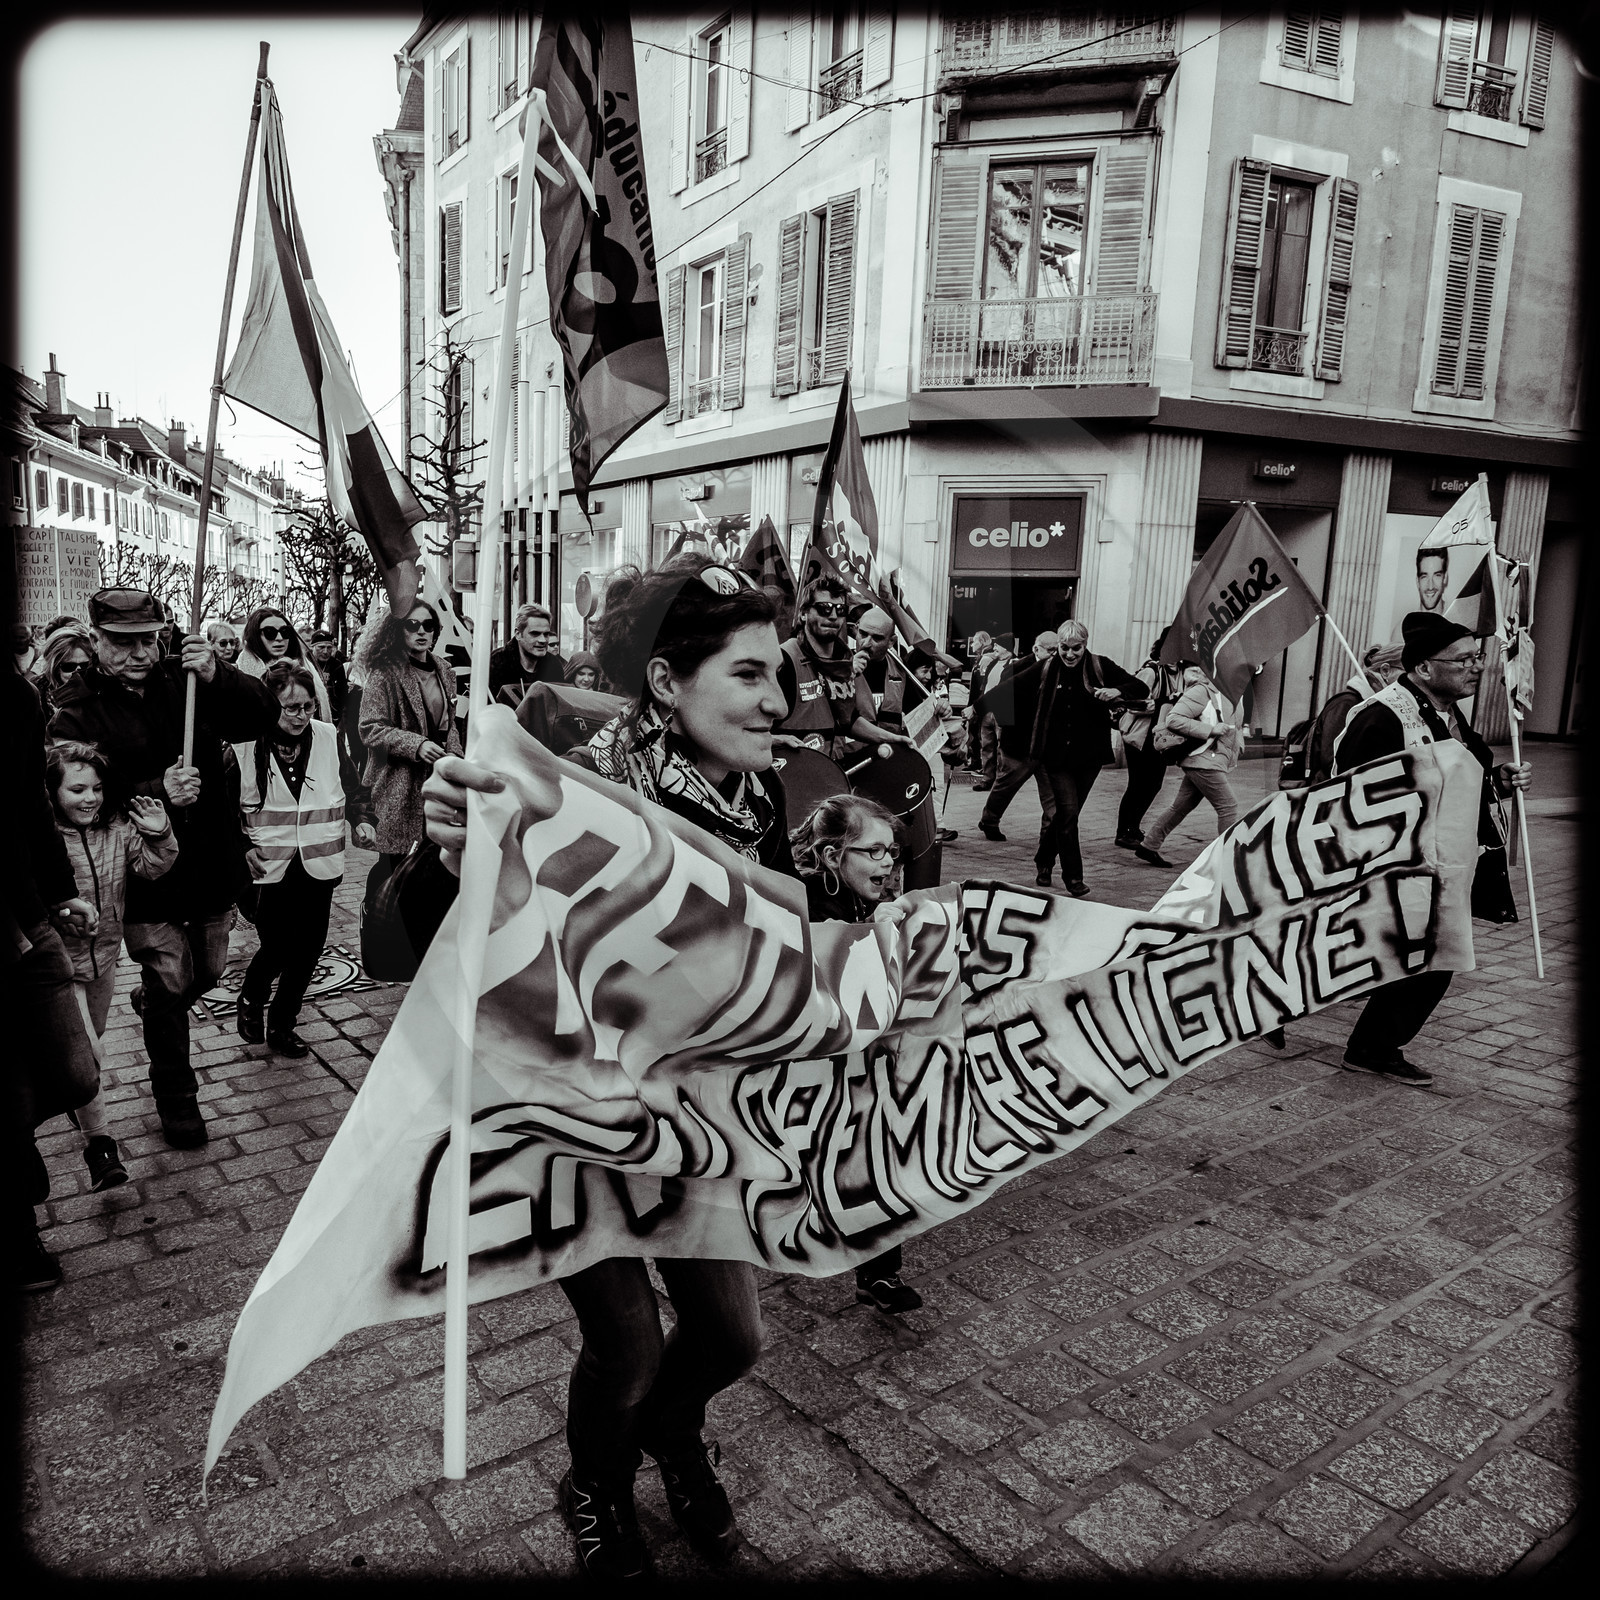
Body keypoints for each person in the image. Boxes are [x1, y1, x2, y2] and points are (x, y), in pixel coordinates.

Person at [418, 556, 791, 1578]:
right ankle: (596, 1485)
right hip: (569, 1123)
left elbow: (781, 950)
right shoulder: (569, 785)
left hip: (691, 1120)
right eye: (751, 674)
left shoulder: (766, 796)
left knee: (730, 1336)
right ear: (668, 683)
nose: (777, 699)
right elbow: (426, 941)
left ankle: (673, 1435)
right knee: (624, 1347)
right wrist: (447, 848)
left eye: (779, 674)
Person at [49, 589, 279, 1148]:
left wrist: (221, 673)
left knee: (208, 969)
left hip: (206, 862)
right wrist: (157, 794)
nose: (139, 653)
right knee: (169, 980)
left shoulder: (188, 679)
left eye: (148, 641)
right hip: (146, 876)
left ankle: (156, 1004)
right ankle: (178, 1100)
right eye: (123, 643)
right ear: (96, 640)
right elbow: (77, 800)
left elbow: (262, 717)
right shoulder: (77, 709)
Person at [1330, 613, 1530, 1086]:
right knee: (1425, 957)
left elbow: (1466, 775)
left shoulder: (1449, 714)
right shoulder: (1382, 715)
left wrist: (1499, 780)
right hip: (1398, 866)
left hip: (1444, 863)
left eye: (1476, 657)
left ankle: (1370, 1045)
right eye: (1462, 660)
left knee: (1427, 958)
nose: (1476, 667)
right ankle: (1365, 1044)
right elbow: (1350, 793)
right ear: (1423, 668)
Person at [790, 792, 924, 1314]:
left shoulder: (864, 900)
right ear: (831, 857)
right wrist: (874, 936)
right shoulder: (796, 902)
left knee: (877, 1148)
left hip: (851, 1067)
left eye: (891, 851)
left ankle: (879, 1273)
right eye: (873, 851)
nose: (889, 862)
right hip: (794, 1069)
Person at [5, 648, 100, 1290]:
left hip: (29, 913)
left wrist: (62, 889)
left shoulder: (13, 697)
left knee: (75, 1073)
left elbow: (32, 806)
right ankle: (16, 1229)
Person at [48, 740, 179, 1190]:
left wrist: (160, 833)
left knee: (90, 1049)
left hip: (105, 958)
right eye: (77, 789)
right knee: (90, 1055)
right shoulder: (43, 838)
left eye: (97, 789)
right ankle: (100, 1148)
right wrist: (56, 914)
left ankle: (79, 1095)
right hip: (58, 969)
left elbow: (149, 868)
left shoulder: (115, 828)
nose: (90, 799)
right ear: (52, 792)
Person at [234, 660, 359, 1058]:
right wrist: (241, 850)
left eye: (307, 706)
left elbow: (349, 784)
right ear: (270, 704)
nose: (302, 716)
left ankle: (283, 1026)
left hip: (319, 861)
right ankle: (253, 994)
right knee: (278, 946)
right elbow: (223, 809)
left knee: (309, 949)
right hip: (269, 864)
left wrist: (364, 818)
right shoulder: (243, 743)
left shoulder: (325, 735)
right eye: (291, 708)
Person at [356, 597, 464, 911]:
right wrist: (416, 744)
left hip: (437, 777)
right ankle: (375, 916)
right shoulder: (385, 670)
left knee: (431, 857)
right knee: (394, 861)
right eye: (412, 625)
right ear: (397, 629)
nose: (421, 632)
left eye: (428, 626)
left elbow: (450, 723)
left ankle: (416, 923)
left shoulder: (444, 669)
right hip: (397, 784)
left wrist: (454, 757)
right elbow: (370, 727)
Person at [1028, 622, 1147, 894]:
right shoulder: (1048, 667)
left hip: (1089, 756)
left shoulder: (1099, 665)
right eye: (1064, 648)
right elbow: (1016, 683)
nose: (1070, 654)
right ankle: (1073, 878)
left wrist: (1118, 691)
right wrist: (977, 708)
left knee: (1066, 815)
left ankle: (1043, 859)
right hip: (1056, 756)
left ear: (1085, 645)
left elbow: (1140, 687)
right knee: (1068, 814)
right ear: (1057, 645)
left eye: (1076, 648)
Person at [774, 578, 908, 760]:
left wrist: (893, 738)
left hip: (830, 773)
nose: (832, 616)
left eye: (840, 610)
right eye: (824, 609)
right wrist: (776, 740)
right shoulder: (784, 660)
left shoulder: (842, 661)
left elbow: (849, 721)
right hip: (789, 775)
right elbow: (747, 727)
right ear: (804, 613)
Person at [1135, 661, 1242, 869]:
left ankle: (1149, 845)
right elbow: (1173, 719)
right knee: (1228, 807)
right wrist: (1210, 730)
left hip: (1211, 758)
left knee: (1181, 806)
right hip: (1202, 758)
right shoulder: (1202, 690)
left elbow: (1233, 725)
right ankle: (1228, 860)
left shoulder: (1230, 693)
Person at [973, 631, 1058, 845]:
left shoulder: (1062, 670)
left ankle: (1047, 841)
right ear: (1036, 649)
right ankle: (989, 820)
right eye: (1052, 650)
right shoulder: (1016, 668)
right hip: (1020, 743)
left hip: (1047, 745)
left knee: (1052, 798)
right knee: (1005, 786)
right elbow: (1003, 702)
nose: (1057, 654)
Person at [1115, 628, 1182, 850]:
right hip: (1140, 737)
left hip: (1159, 738)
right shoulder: (1152, 671)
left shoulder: (1180, 673)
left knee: (1153, 784)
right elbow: (1131, 701)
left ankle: (1132, 826)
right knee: (1137, 784)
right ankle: (1123, 831)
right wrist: (1163, 703)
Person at [1308, 643, 1404, 784]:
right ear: (1385, 671)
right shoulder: (1347, 704)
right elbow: (1332, 760)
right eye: (1408, 672)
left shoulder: (1382, 705)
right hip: (1331, 794)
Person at [237, 606, 333, 721]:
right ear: (255, 636)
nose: (279, 638)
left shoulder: (304, 664)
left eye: (285, 631)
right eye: (269, 632)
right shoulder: (241, 672)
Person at [489, 602, 568, 704]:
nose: (543, 640)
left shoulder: (554, 665)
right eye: (535, 633)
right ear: (518, 634)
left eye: (546, 634)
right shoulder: (496, 663)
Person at [971, 635, 1013, 789]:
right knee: (986, 746)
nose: (994, 648)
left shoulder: (1014, 665)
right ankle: (987, 779)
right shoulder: (993, 663)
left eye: (998, 646)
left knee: (1003, 748)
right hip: (987, 712)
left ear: (1006, 648)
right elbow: (985, 686)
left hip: (1002, 713)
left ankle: (1002, 781)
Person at [34, 622, 95, 719]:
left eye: (84, 666)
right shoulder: (37, 694)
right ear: (56, 668)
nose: (77, 673)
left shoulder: (103, 693)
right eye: (69, 667)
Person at [961, 630, 993, 773]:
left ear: (983, 642)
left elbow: (981, 684)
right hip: (976, 699)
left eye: (975, 641)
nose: (972, 644)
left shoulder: (986, 658)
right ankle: (976, 762)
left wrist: (976, 704)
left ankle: (980, 764)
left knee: (980, 734)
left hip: (978, 701)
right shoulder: (981, 658)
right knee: (975, 732)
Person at [308, 627, 350, 725]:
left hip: (333, 718)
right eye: (321, 647)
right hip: (310, 715)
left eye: (329, 647)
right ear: (312, 647)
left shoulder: (337, 665)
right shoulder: (305, 663)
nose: (326, 651)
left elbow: (342, 694)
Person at [1415, 546, 1448, 613]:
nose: (1430, 587)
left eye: (1437, 575)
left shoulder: (1459, 621)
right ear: (1417, 581)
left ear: (1445, 578)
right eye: (1424, 576)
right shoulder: (1404, 623)